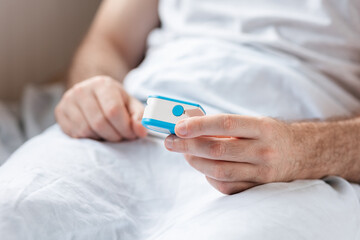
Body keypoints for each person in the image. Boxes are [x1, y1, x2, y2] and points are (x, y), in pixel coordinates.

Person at [0, 0, 360, 239]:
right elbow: (107, 43)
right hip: (129, 130)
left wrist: (303, 152)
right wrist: (93, 92)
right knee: (15, 210)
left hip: (292, 164)